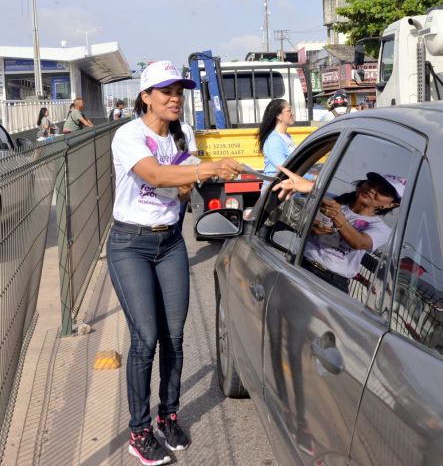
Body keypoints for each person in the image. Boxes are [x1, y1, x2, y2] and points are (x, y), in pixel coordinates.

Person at [107, 60, 242, 466]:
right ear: (145, 96)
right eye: (165, 91)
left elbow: (180, 192)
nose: (174, 98)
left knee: (175, 337)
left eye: (179, 92)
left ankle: (168, 416)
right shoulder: (128, 135)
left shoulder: (182, 138)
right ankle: (139, 430)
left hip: (169, 243)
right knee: (146, 338)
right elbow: (154, 176)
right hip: (130, 244)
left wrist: (191, 178)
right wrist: (204, 168)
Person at [273, 166, 402, 292]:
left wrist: (336, 215)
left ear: (391, 204)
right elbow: (297, 207)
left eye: (382, 192)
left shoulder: (381, 229)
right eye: (372, 183)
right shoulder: (332, 200)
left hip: (331, 282)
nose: (372, 189)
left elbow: (359, 242)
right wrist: (311, 228)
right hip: (300, 263)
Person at [257, 98, 295, 177]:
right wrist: (310, 177)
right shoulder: (273, 140)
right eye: (289, 111)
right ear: (279, 115)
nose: (292, 113)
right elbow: (284, 168)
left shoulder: (287, 136)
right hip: (276, 187)